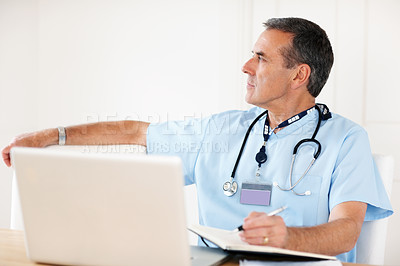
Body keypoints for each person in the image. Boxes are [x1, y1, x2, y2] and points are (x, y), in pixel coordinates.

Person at [2, 17, 392, 262]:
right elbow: (138, 132)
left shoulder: (345, 139)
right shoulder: (221, 129)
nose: (246, 66)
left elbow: (346, 232)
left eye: (261, 58)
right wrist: (50, 137)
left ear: (298, 75)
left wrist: (287, 238)